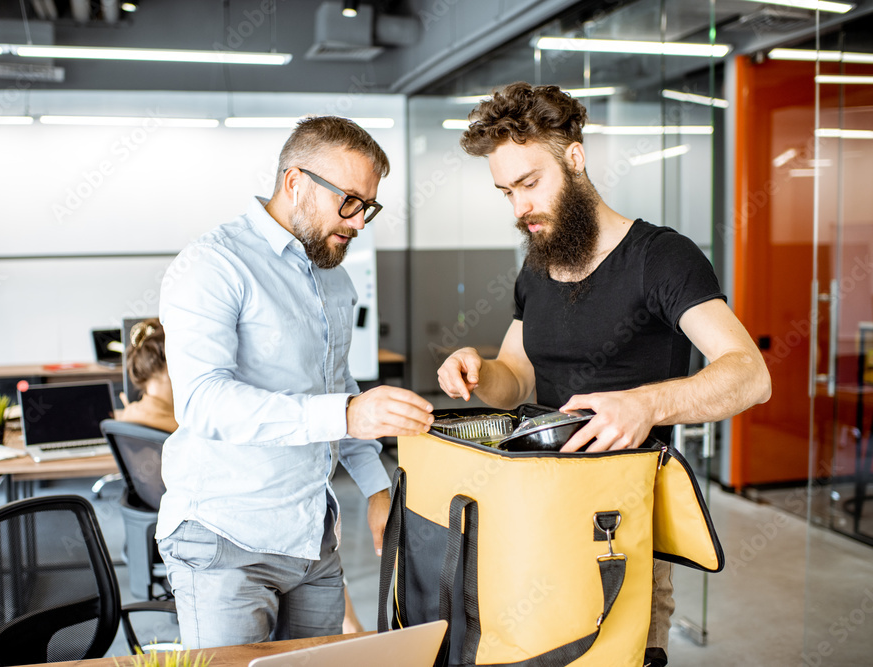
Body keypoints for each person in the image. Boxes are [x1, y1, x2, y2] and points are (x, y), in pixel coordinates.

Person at [436, 83, 771, 667]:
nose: (520, 209)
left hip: (620, 522)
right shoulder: (537, 264)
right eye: (506, 192)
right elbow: (515, 375)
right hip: (538, 508)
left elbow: (748, 375)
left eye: (530, 183)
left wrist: (644, 405)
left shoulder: (661, 258)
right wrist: (476, 370)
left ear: (574, 158)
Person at [155, 116, 434, 649]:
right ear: (294, 182)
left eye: (368, 206)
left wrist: (376, 484)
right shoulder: (214, 265)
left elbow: (334, 383)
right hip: (225, 540)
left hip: (311, 539)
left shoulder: (334, 277)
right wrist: (347, 413)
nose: (357, 221)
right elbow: (202, 401)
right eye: (348, 200)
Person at [123, 316, 368, 633]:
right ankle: (354, 628)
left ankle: (353, 627)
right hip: (219, 522)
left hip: (271, 525)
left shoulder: (132, 414)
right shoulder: (194, 412)